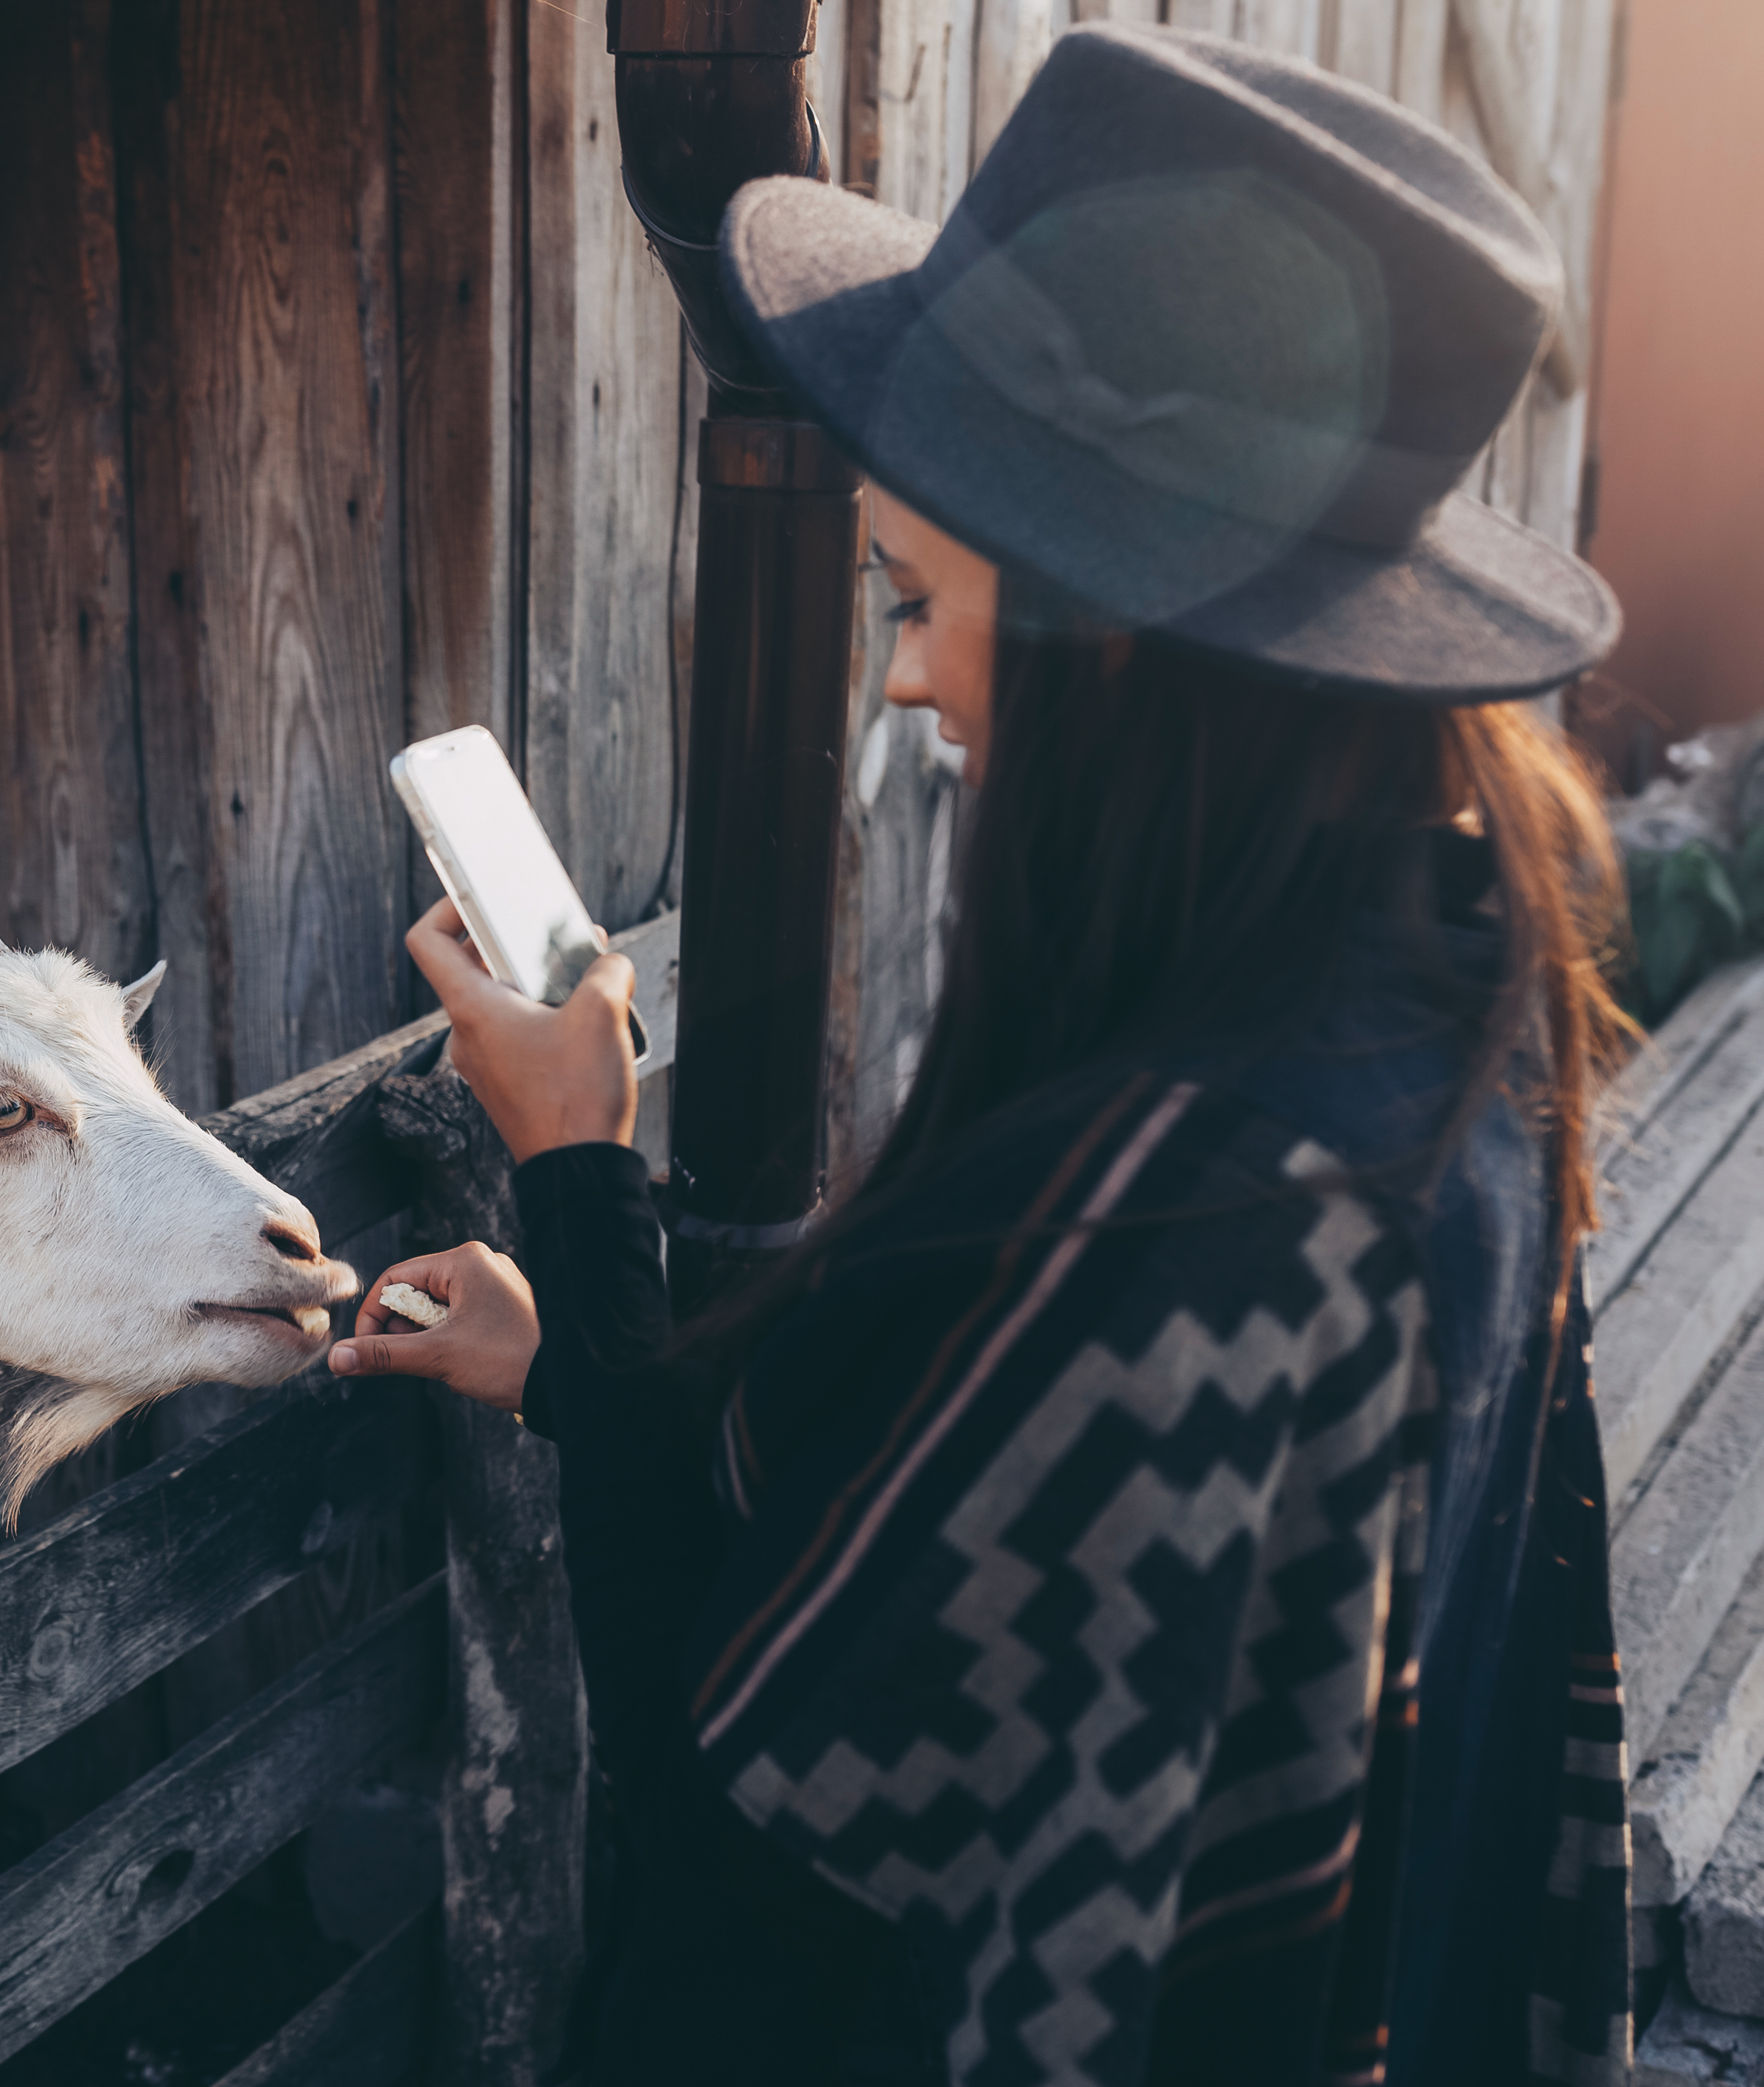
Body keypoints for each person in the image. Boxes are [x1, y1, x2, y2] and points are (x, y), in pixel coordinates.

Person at [331, 24, 1637, 2087]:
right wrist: (581, 1361)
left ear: (1115, 650)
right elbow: (967, 1593)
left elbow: (752, 1807)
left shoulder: (1180, 1214)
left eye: (918, 600)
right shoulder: (1445, 1009)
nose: (916, 680)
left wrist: (581, 1173)